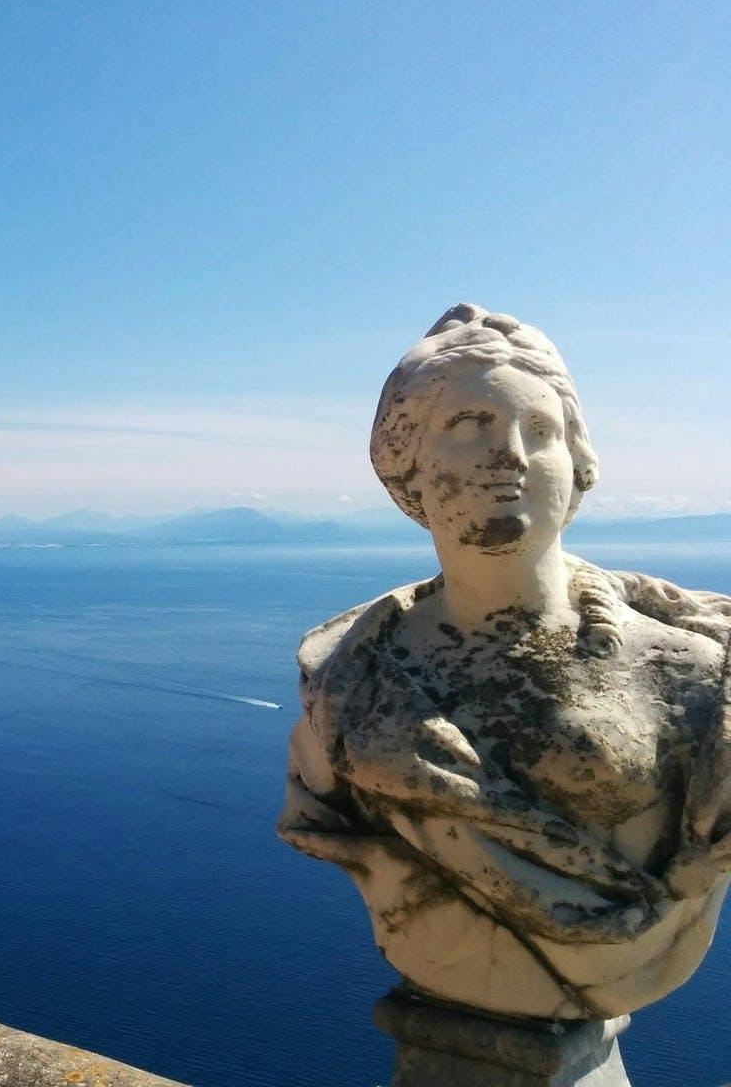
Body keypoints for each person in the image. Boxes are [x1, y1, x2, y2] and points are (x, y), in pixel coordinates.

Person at [279, 304, 731, 1020]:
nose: (511, 456)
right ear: (406, 464)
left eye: (541, 432)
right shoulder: (346, 680)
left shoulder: (698, 680)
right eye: (470, 426)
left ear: (577, 464)